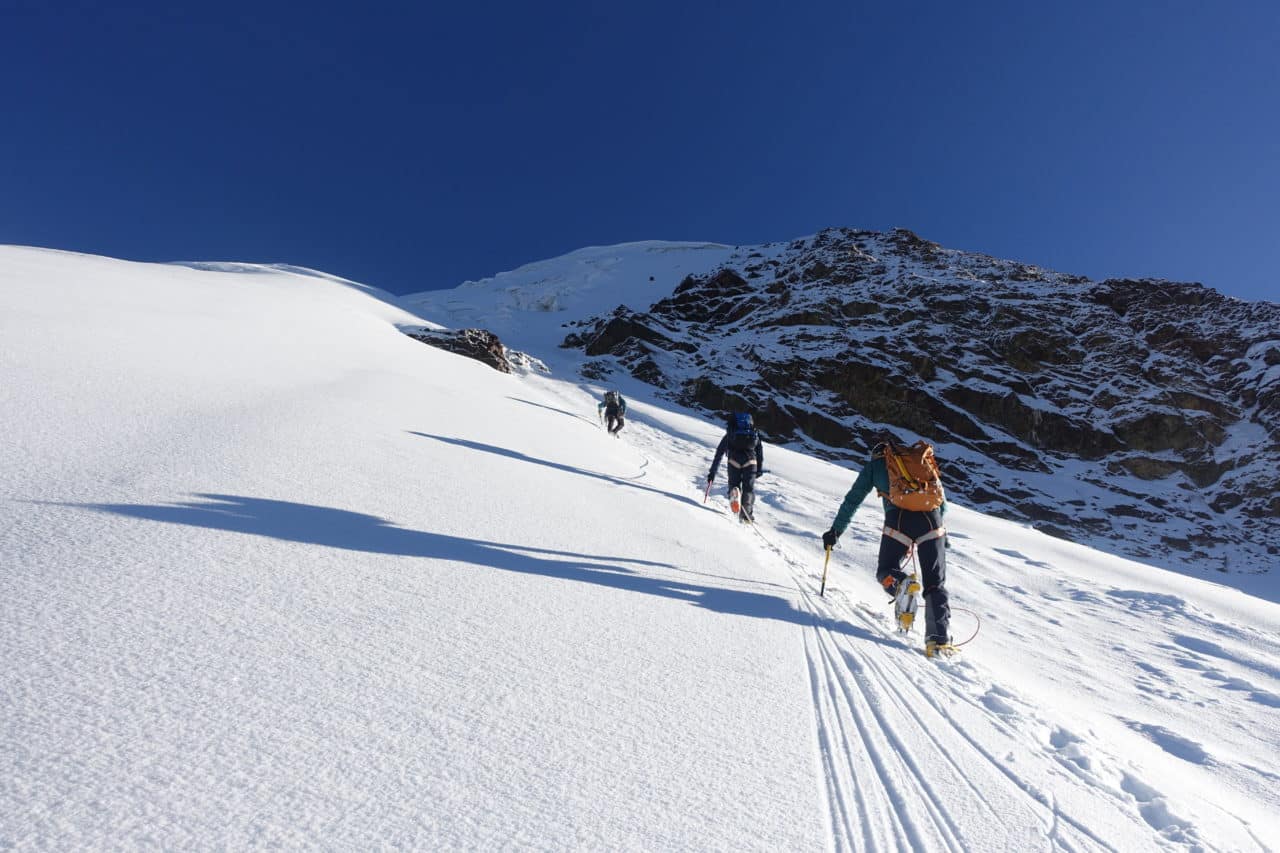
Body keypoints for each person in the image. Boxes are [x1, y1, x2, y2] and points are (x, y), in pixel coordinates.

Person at [821, 436, 951, 656]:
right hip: (932, 522)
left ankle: (900, 584)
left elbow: (853, 500)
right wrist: (936, 534)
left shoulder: (874, 467)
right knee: (934, 584)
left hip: (898, 521)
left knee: (886, 570)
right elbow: (942, 505)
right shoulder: (921, 463)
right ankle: (937, 641)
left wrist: (835, 531)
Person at [707, 413, 765, 523]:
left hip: (733, 461)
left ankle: (734, 492)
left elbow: (719, 454)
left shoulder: (730, 434)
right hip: (751, 461)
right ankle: (746, 515)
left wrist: (712, 473)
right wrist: (759, 468)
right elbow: (760, 452)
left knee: (734, 484)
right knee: (748, 488)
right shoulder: (754, 433)